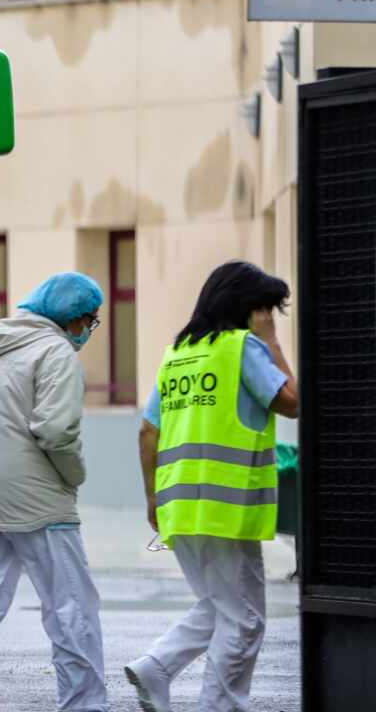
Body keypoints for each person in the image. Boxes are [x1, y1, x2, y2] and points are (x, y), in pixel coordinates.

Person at [0, 272, 109, 712]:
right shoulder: (56, 353)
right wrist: (74, 476)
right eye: (89, 320)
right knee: (71, 606)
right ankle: (84, 704)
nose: (89, 329)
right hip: (39, 503)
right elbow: (56, 431)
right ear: (71, 318)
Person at [124, 261, 299, 712]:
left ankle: (157, 667)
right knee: (244, 621)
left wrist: (152, 497)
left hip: (179, 505)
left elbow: (147, 431)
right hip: (226, 508)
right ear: (249, 309)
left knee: (219, 606)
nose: (268, 318)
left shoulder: (177, 354)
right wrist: (273, 342)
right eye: (266, 309)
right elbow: (294, 403)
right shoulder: (243, 348)